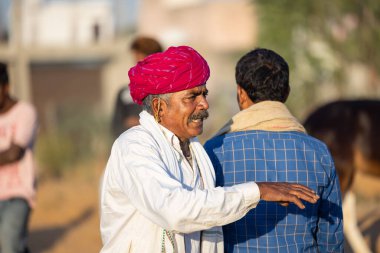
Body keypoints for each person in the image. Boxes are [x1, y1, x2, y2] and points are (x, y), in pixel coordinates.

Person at [100, 46, 320, 253]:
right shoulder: (134, 146)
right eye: (192, 97)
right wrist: (257, 191)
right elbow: (174, 211)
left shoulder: (196, 151)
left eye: (203, 94)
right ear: (159, 107)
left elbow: (209, 223)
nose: (204, 104)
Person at [204, 48, 344, 252]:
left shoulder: (214, 150)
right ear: (286, 92)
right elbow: (331, 236)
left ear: (240, 93)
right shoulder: (318, 151)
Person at [0, 62, 38, 253]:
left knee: (9, 243)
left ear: (5, 87)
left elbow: (14, 153)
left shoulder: (25, 112)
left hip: (18, 193)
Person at [111, 36, 163, 139]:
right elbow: (115, 127)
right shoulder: (125, 92)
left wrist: (141, 122)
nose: (138, 62)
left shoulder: (168, 90)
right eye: (136, 57)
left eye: (142, 58)